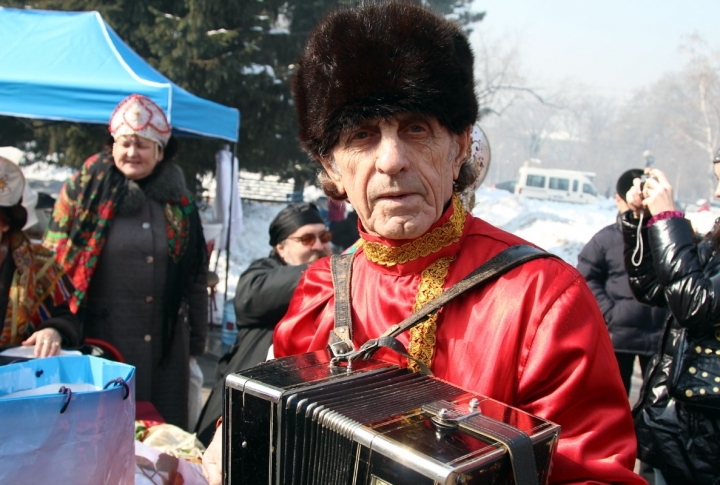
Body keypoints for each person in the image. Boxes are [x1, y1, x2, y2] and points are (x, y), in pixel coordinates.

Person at [202, 3, 643, 483]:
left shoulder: (541, 300)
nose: (391, 160)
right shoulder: (321, 291)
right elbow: (266, 429)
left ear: (458, 148)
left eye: (416, 128)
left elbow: (594, 474)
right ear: (333, 169)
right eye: (363, 135)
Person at [43, 94, 208, 430]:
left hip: (165, 350)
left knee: (162, 444)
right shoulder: (86, 192)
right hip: (103, 346)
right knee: (101, 439)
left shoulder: (180, 203)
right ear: (112, 146)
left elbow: (195, 275)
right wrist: (54, 325)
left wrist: (196, 342)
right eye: (125, 143)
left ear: (160, 151)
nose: (132, 152)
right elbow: (56, 264)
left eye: (143, 145)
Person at [194, 202, 331, 445]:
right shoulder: (262, 272)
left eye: (324, 236)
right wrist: (324, 270)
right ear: (281, 247)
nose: (319, 245)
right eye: (307, 239)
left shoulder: (333, 282)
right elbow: (249, 299)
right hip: (235, 413)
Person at [621, 163, 720, 484]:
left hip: (706, 437)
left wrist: (668, 220)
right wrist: (644, 220)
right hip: (680, 428)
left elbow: (694, 303)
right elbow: (654, 288)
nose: (717, 193)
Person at [577, 168, 666, 396]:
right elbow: (586, 277)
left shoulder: (664, 238)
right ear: (619, 200)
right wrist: (610, 312)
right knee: (614, 399)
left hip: (658, 334)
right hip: (620, 334)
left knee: (658, 402)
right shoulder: (605, 239)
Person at [0, 156, 79, 357]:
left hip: (17, 377)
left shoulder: (39, 264)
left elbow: (68, 319)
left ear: (6, 223)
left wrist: (53, 331)